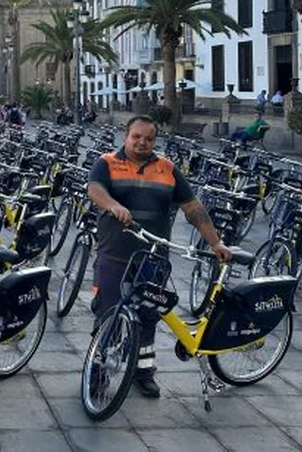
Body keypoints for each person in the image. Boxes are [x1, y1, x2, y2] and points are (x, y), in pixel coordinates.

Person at [87, 115, 231, 399]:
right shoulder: (106, 163)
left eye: (148, 138)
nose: (142, 142)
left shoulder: (167, 168)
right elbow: (95, 190)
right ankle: (98, 373)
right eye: (136, 136)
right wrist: (114, 205)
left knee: (148, 316)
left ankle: (143, 372)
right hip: (115, 255)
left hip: (153, 259)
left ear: (155, 140)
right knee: (108, 315)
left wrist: (216, 243)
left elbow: (193, 208)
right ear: (126, 136)